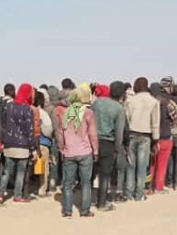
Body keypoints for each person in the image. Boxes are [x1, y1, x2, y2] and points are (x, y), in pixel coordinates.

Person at [57, 85, 99, 218]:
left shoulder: (64, 113)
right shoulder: (88, 113)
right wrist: (96, 151)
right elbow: (92, 134)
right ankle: (85, 211)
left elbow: (60, 134)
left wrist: (62, 149)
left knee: (68, 183)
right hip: (85, 152)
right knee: (86, 182)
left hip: (69, 152)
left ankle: (67, 211)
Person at [0, 83, 37, 204]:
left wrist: (3, 141)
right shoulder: (27, 109)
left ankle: (0, 194)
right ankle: (17, 195)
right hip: (23, 146)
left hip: (9, 144)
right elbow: (30, 130)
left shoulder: (8, 107)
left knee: (7, 171)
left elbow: (4, 125)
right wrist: (33, 148)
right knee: (20, 172)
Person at [124, 78, 159, 201]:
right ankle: (139, 194)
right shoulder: (154, 101)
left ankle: (128, 193)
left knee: (130, 165)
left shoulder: (130, 101)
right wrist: (155, 140)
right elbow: (155, 123)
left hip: (131, 134)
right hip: (146, 136)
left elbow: (126, 119)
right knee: (142, 166)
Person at [91, 81, 125, 209]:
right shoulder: (119, 108)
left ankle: (86, 200)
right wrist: (117, 149)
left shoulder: (97, 102)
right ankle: (101, 203)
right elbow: (119, 132)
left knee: (90, 173)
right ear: (122, 94)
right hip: (108, 143)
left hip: (93, 141)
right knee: (105, 175)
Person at [150, 80, 175, 194]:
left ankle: (149, 186)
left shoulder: (149, 103)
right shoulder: (168, 103)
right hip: (165, 136)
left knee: (151, 164)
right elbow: (175, 117)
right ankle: (158, 187)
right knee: (162, 164)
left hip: (151, 137)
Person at [34, 90, 55, 198]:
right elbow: (48, 130)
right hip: (42, 143)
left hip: (29, 144)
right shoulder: (42, 113)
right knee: (44, 168)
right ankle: (42, 190)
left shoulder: (28, 110)